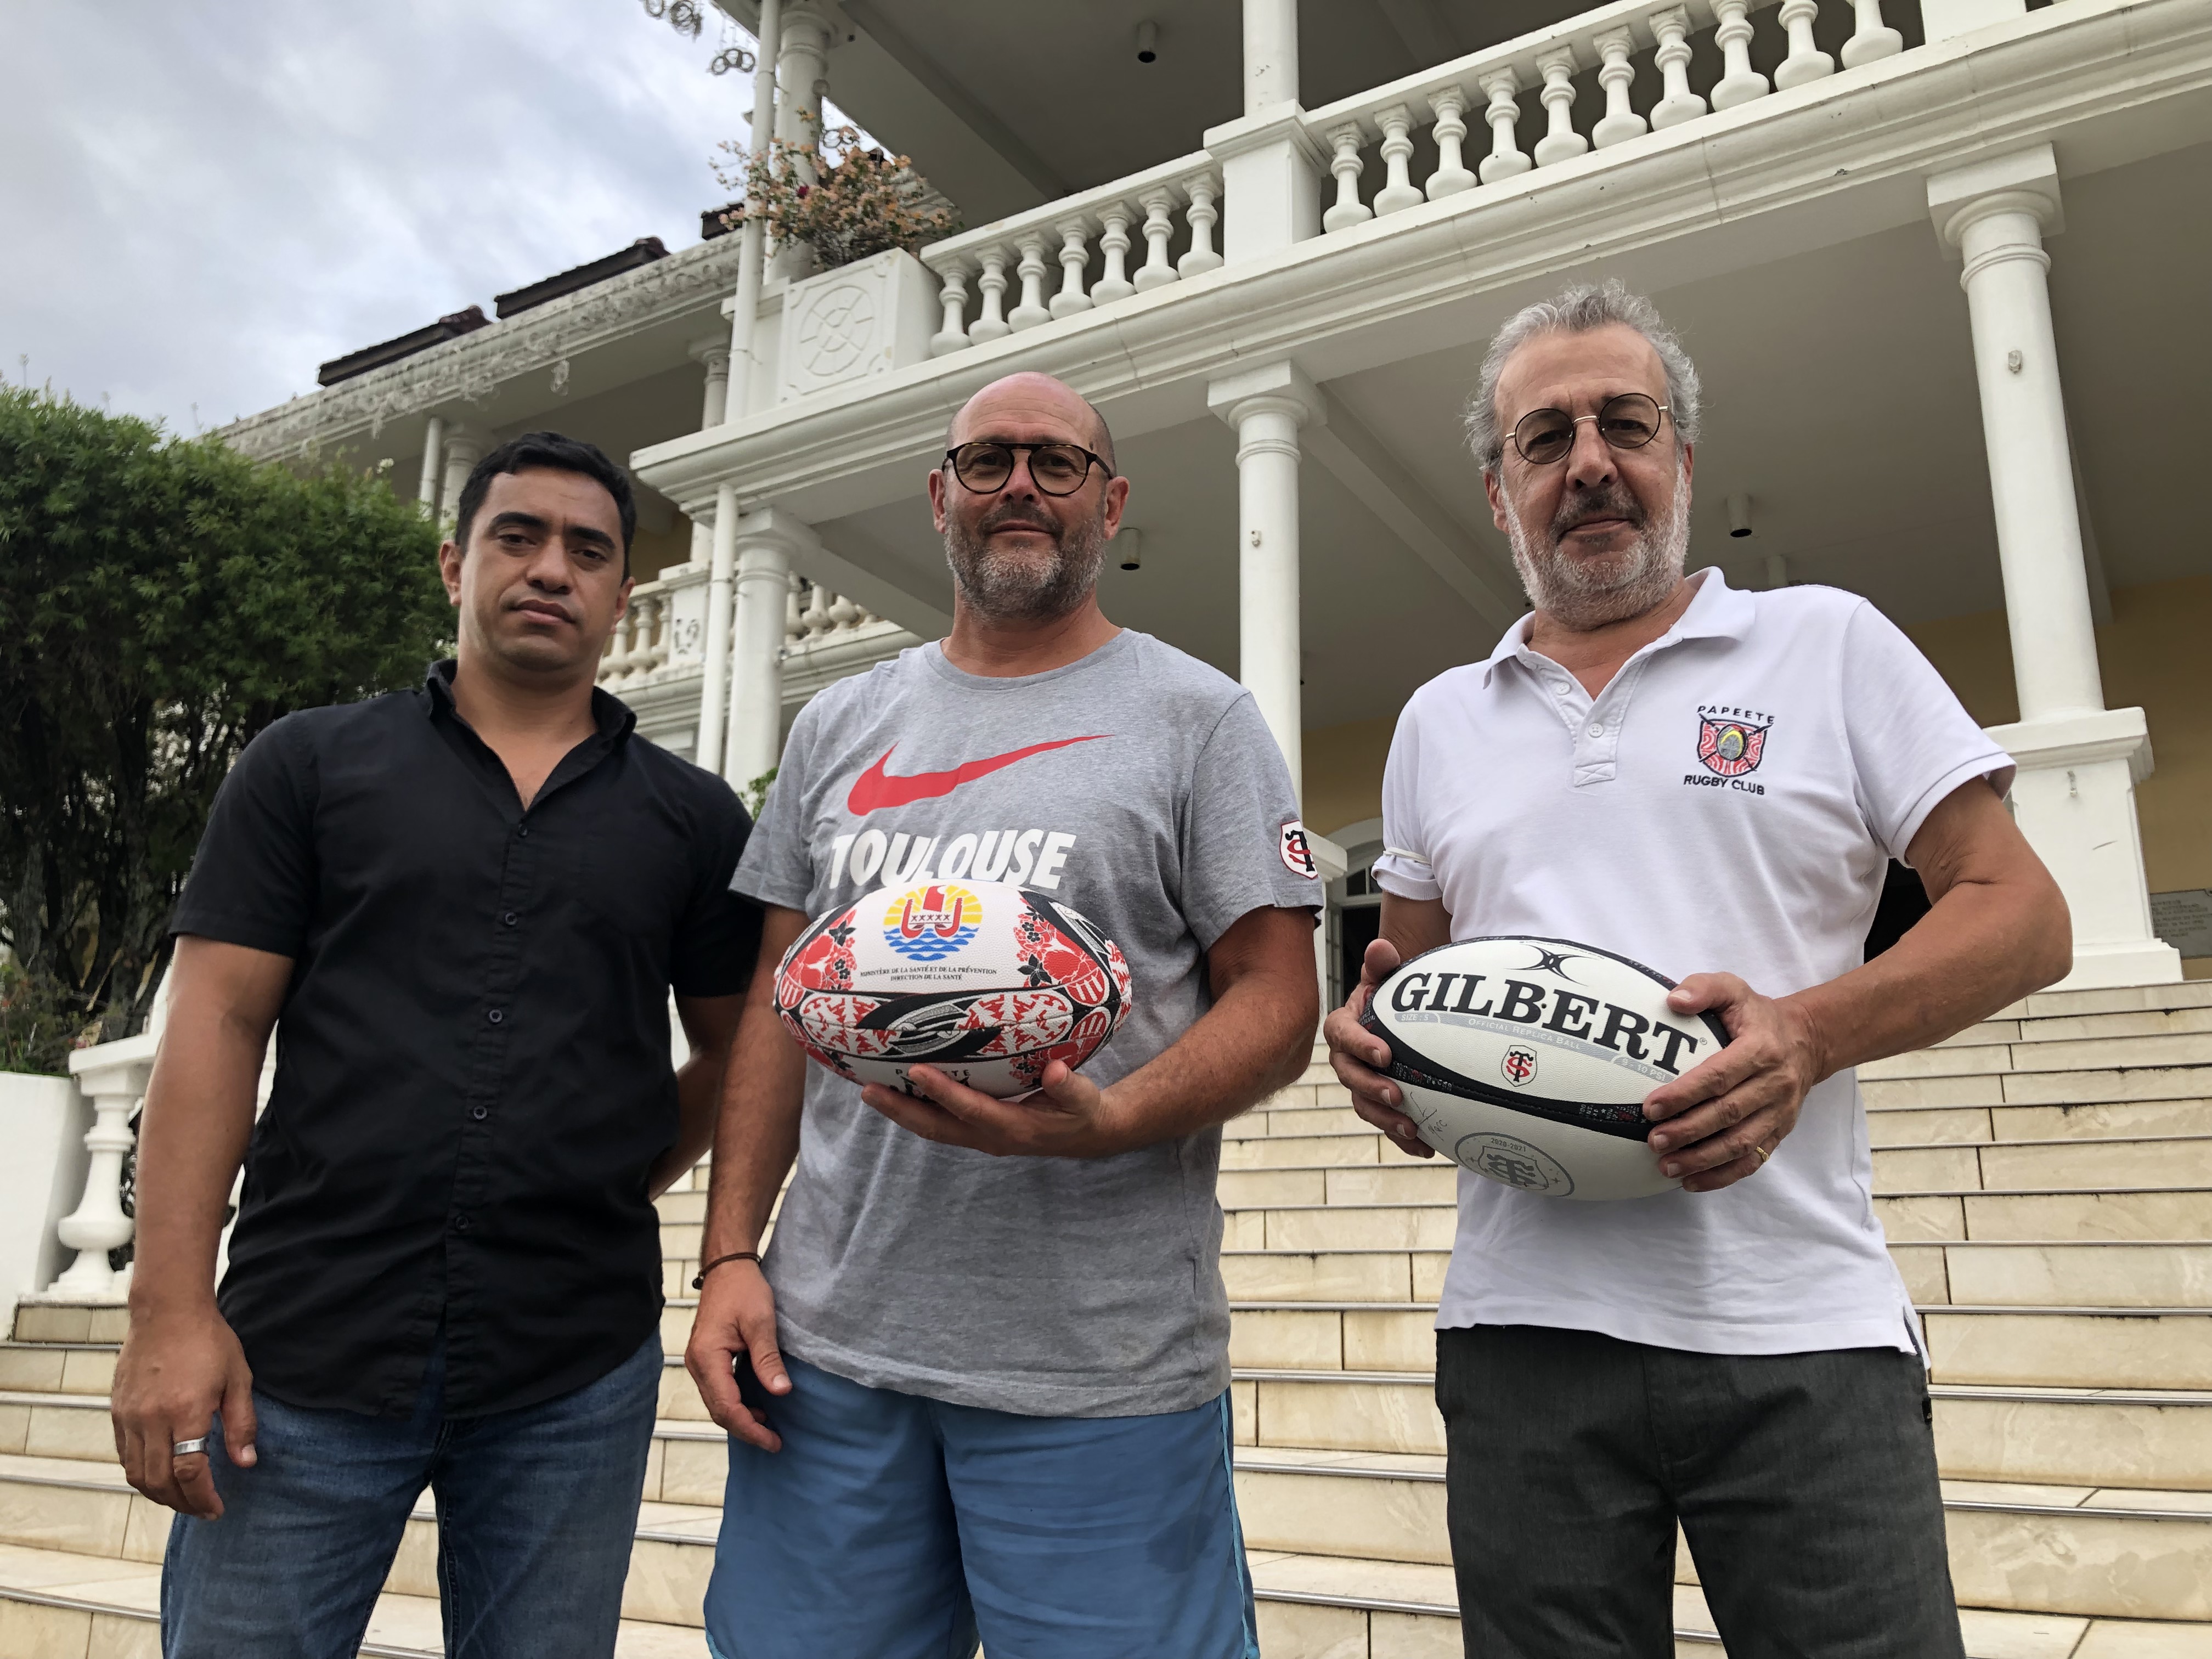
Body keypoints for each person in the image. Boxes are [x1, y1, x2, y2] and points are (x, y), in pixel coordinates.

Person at [1324, 282, 2072, 1657]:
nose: (1588, 463)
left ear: (1680, 458)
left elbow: (2023, 912)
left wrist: (1807, 1033)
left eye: (1626, 423)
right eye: (1544, 438)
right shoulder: (1438, 723)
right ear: (1498, 493)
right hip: (1522, 1341)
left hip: (1802, 1334)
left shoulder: (1829, 644)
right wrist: (1377, 1060)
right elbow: (1408, 994)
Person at [687, 371, 1322, 1659]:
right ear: (941, 495)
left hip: (1097, 1369)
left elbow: (1279, 994)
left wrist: (1115, 1118)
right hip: (830, 1355)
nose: (1020, 485)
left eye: (1056, 461)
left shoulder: (1201, 721)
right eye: (988, 461)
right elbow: (773, 996)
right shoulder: (838, 724)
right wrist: (728, 1254)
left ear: (1111, 501)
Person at [114, 432, 763, 1659]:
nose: (552, 568)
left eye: (589, 550)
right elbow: (217, 1025)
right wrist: (169, 1310)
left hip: (572, 1364)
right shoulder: (309, 766)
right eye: (518, 537)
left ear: (623, 593)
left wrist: (617, 1173)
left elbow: (745, 1057)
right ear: (456, 564)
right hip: (301, 1346)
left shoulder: (692, 820)